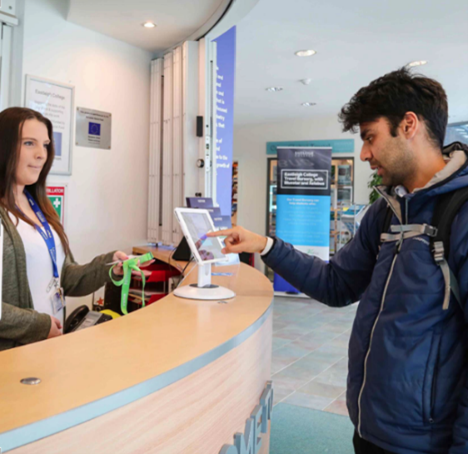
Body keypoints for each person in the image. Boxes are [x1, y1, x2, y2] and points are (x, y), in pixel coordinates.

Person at [209, 68, 468, 453]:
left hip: (426, 442)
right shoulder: (387, 212)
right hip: (369, 427)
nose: (364, 153)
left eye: (370, 137)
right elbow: (336, 284)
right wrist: (264, 245)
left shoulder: (461, 214)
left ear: (409, 125)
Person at [0, 107, 146, 351]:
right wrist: (39, 325)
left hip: (49, 347)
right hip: (16, 356)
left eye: (45, 145)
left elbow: (65, 277)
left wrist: (109, 265)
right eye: (29, 143)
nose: (41, 155)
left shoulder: (41, 207)